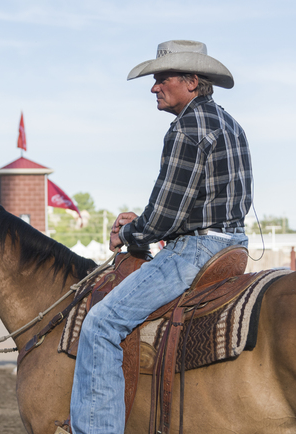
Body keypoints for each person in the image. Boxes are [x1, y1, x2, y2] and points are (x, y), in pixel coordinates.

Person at [70, 40, 252, 434]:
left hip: (197, 251)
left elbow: (164, 217)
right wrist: (148, 223)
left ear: (191, 81)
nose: (154, 88)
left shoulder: (186, 128)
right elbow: (189, 204)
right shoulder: (228, 122)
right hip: (234, 244)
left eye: (161, 79)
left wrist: (130, 233)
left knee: (100, 324)